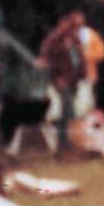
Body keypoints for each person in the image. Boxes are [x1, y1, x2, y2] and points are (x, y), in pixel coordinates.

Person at [38, 11, 84, 153]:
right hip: (61, 80)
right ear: (60, 23)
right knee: (69, 110)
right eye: (66, 23)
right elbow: (46, 60)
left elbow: (79, 57)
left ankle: (64, 141)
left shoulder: (74, 38)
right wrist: (56, 77)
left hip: (73, 79)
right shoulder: (53, 40)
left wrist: (81, 74)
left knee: (67, 111)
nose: (68, 26)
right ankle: (69, 142)